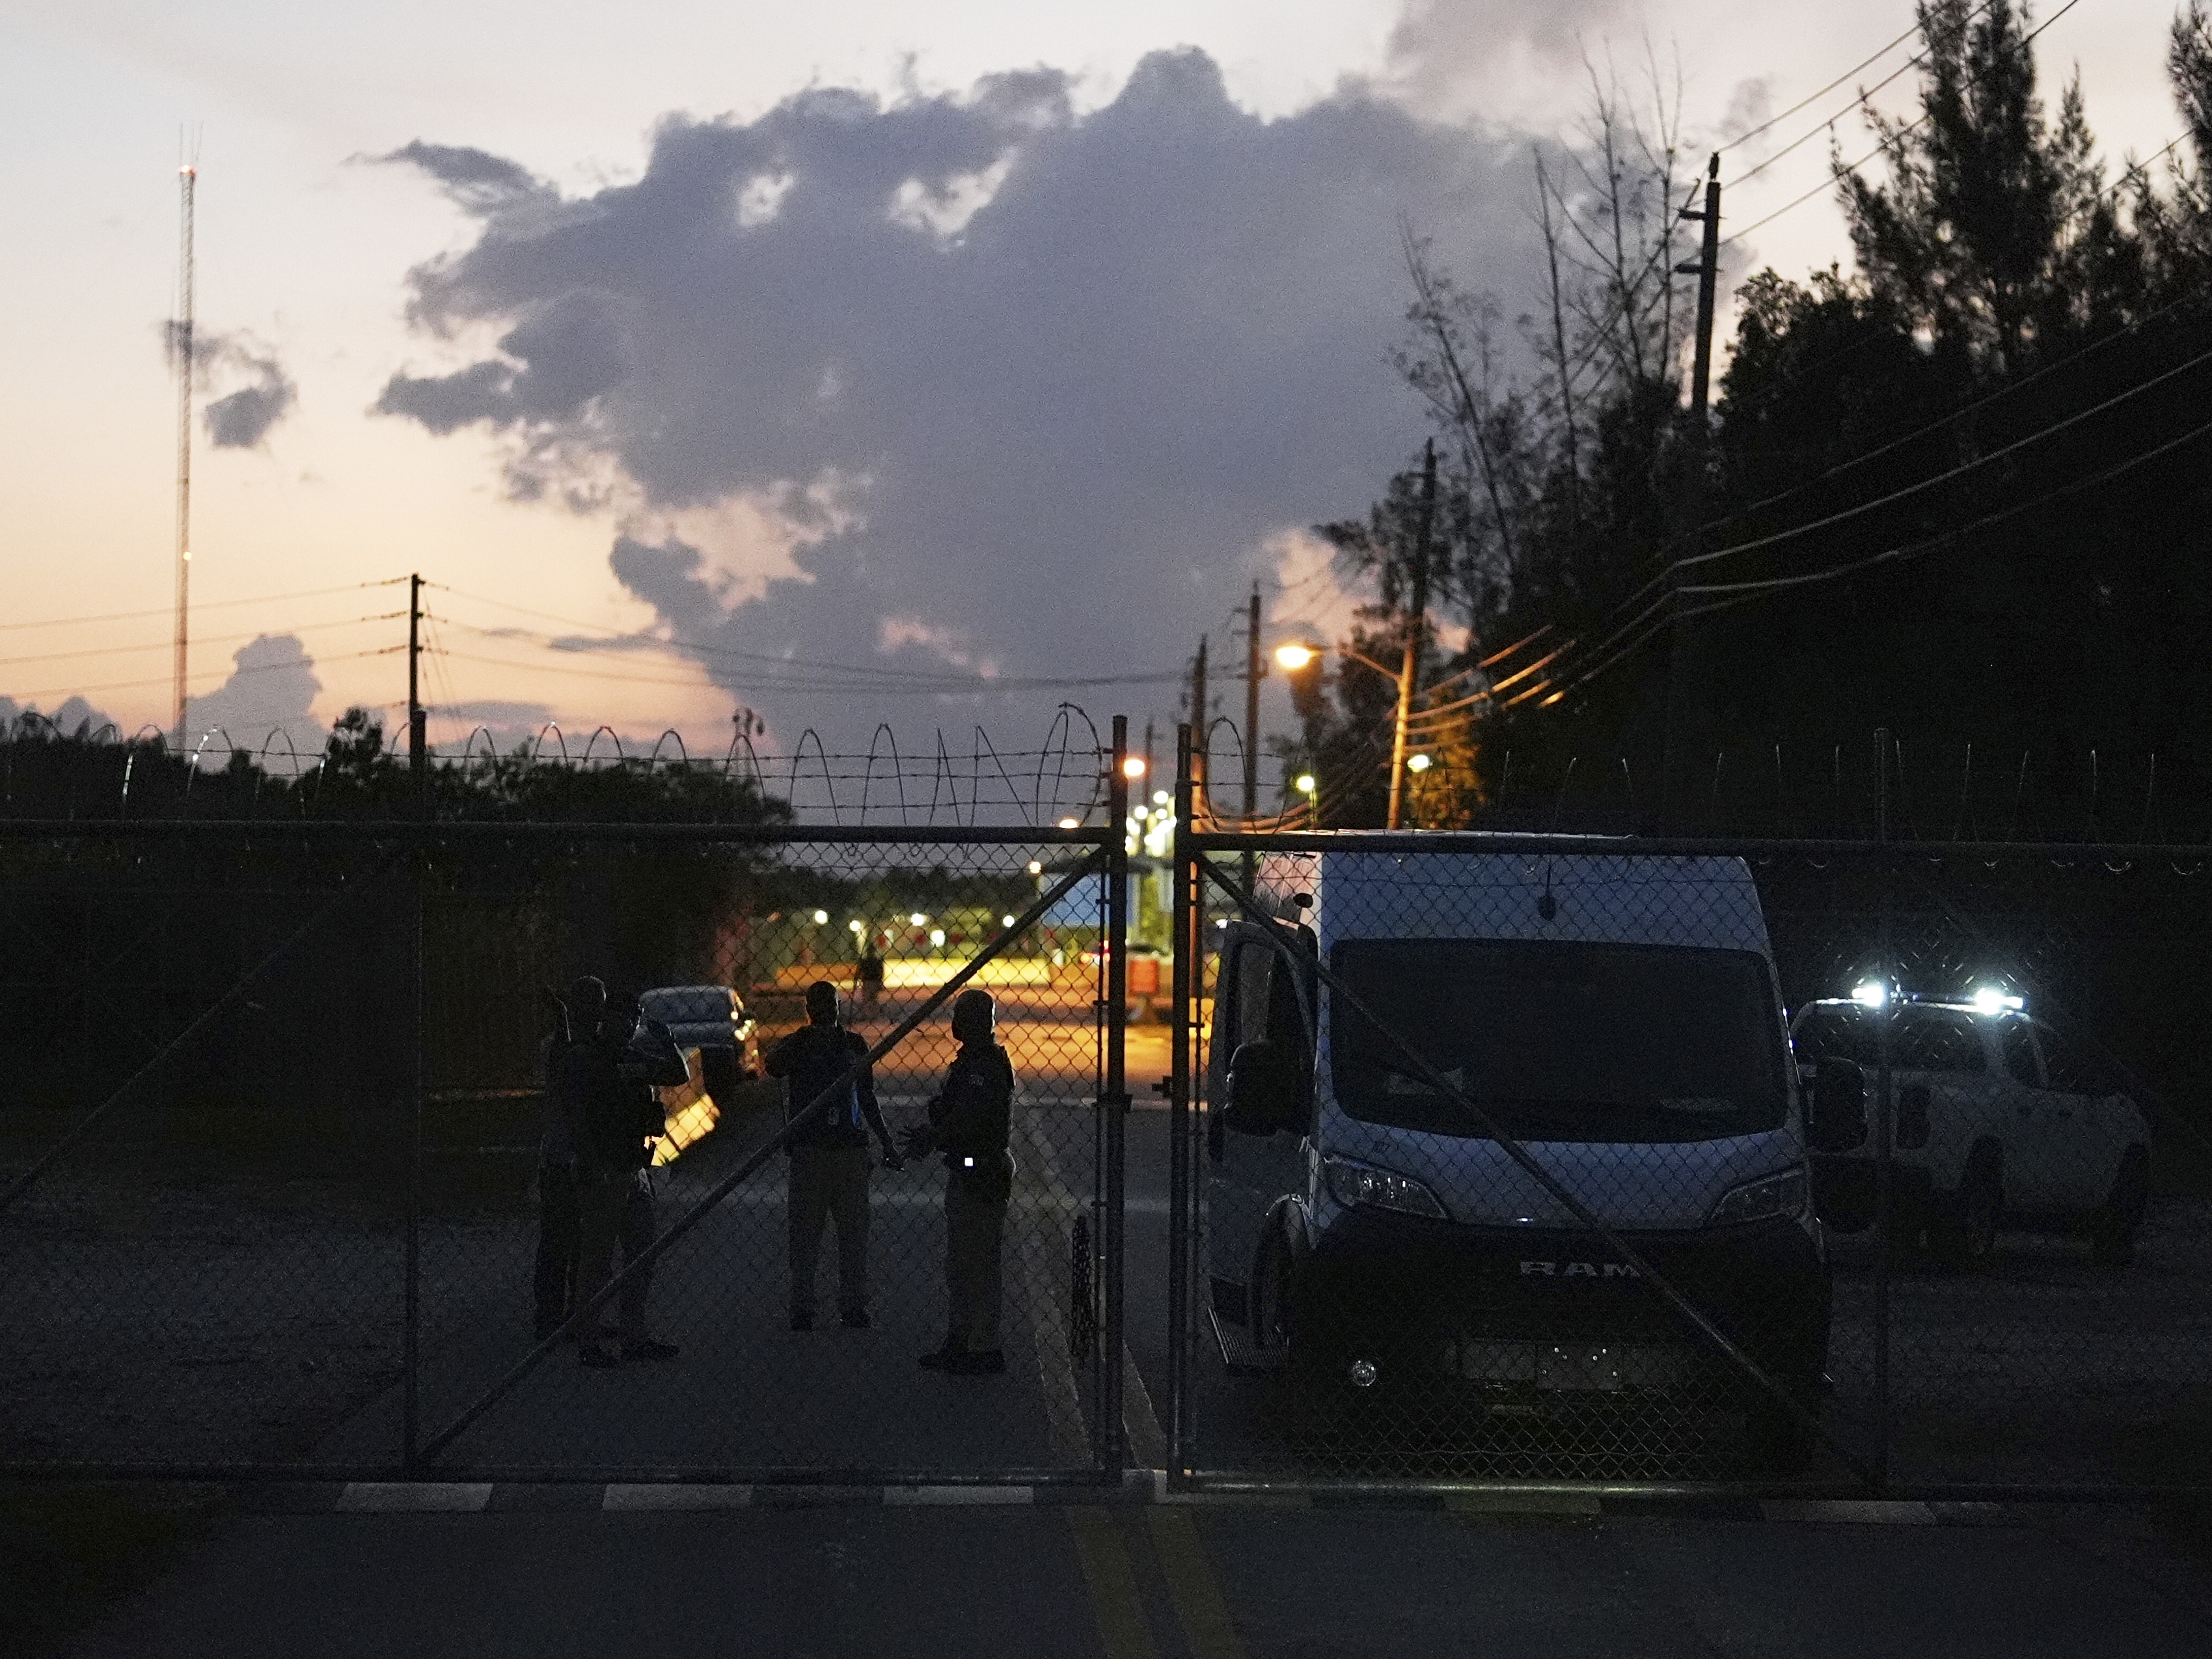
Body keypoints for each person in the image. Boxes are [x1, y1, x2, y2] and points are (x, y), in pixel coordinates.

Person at [553, 989, 689, 1367]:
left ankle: (634, 1336)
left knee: (641, 1254)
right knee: (596, 1260)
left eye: (634, 1020)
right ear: (605, 1019)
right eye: (621, 1018)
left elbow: (678, 1074)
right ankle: (589, 1341)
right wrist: (591, 1164)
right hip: (605, 1168)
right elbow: (575, 1117)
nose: (627, 1027)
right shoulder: (586, 1059)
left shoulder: (630, 1057)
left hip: (634, 1167)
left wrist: (668, 1041)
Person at [765, 981, 901, 1331]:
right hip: (813, 1151)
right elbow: (773, 1066)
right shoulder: (803, 1044)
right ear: (811, 1009)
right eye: (822, 1004)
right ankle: (805, 1305)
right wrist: (804, 1039)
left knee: (851, 1235)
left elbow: (867, 1097)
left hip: (846, 1151)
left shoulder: (852, 1045)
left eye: (832, 1003)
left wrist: (884, 1141)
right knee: (807, 1235)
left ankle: (850, 1304)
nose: (828, 1009)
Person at [903, 988, 1015, 1376]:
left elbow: (967, 1123)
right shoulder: (972, 1063)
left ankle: (981, 1347)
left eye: (961, 1016)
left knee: (977, 1264)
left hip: (979, 1171)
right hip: (970, 1168)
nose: (954, 1023)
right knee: (962, 1264)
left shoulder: (983, 1068)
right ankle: (965, 1339)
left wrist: (932, 1137)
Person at [533, 976, 604, 1342]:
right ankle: (550, 1318)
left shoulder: (598, 1047)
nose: (594, 1012)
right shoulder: (559, 1045)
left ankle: (577, 1313)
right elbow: (561, 1076)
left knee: (583, 1240)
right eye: (588, 1004)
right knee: (559, 1238)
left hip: (582, 1153)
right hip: (563, 1154)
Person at [856, 939, 885, 1010]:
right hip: (871, 981)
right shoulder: (877, 961)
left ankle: (869, 1011)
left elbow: (860, 971)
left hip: (869, 981)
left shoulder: (866, 961)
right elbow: (881, 972)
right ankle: (872, 1011)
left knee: (869, 998)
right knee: (871, 998)